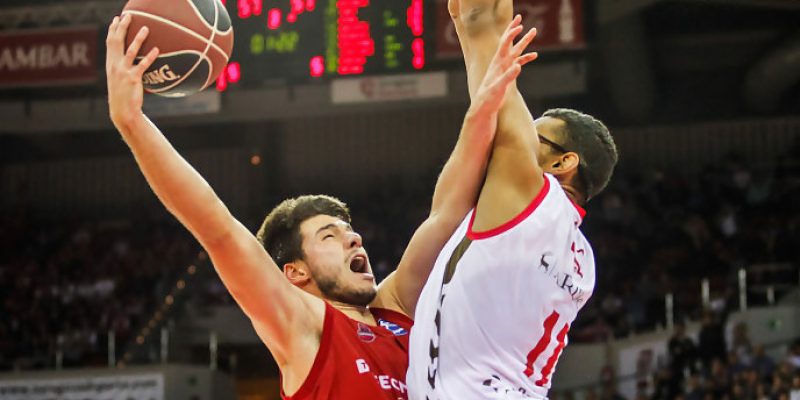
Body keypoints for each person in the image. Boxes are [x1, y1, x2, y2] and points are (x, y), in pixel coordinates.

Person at [104, 13, 537, 400]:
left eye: (347, 230)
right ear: (295, 271)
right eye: (330, 236)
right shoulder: (302, 326)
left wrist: (482, 106)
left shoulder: (395, 311)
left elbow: (447, 213)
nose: (354, 237)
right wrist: (132, 122)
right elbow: (217, 229)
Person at [406, 0, 619, 398]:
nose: (518, 140)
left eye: (531, 137)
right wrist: (468, 30)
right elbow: (488, 107)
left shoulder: (531, 196)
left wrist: (475, 25)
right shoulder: (580, 256)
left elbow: (486, 25)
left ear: (563, 162)